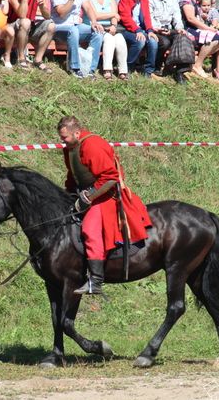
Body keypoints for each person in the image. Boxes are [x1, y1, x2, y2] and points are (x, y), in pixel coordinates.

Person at [58, 115, 152, 296]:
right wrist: (68, 194)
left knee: (90, 230)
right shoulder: (70, 148)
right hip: (85, 193)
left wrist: (90, 196)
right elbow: (73, 174)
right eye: (62, 138)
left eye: (65, 137)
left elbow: (110, 177)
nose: (62, 141)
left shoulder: (93, 145)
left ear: (76, 133)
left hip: (105, 196)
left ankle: (96, 281)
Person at [50, 0, 103, 77]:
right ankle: (75, 67)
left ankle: (90, 69)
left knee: (98, 33)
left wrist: (94, 22)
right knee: (73, 30)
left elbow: (88, 8)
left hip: (76, 27)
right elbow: (62, 13)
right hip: (60, 28)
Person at [9, 0, 55, 71]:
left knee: (51, 25)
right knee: (25, 21)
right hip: (15, 28)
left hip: (30, 26)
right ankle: (21, 58)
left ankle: (38, 60)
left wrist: (42, 6)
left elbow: (47, 16)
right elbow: (21, 15)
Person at [84, 0, 126, 79]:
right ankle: (107, 69)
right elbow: (95, 16)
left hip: (110, 27)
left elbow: (115, 17)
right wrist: (112, 14)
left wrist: (113, 25)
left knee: (120, 39)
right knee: (109, 39)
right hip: (96, 27)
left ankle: (123, 70)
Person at [144, 0, 185, 78]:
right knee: (165, 43)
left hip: (169, 28)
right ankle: (156, 67)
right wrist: (157, 28)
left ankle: (179, 71)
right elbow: (149, 15)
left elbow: (176, 13)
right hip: (155, 28)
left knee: (183, 38)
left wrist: (179, 27)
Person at [118, 0, 158, 77]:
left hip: (140, 29)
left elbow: (147, 16)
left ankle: (148, 70)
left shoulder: (144, 0)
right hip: (127, 29)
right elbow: (126, 18)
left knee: (153, 41)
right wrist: (137, 30)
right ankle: (129, 65)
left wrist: (150, 30)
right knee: (140, 41)